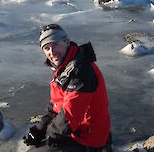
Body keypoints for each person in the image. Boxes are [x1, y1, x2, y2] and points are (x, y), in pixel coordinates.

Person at [23, 23, 111, 152]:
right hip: (76, 131)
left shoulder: (81, 71)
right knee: (36, 145)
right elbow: (56, 105)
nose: (52, 52)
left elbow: (70, 114)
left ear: (67, 42)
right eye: (47, 48)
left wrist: (50, 136)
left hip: (88, 139)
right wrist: (40, 130)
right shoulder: (66, 67)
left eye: (55, 45)